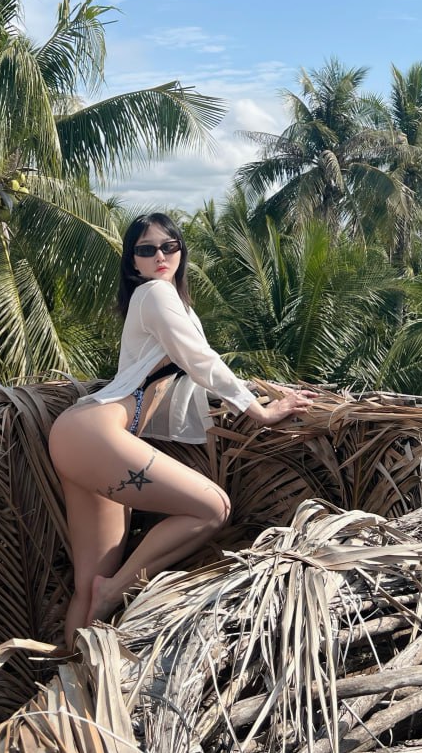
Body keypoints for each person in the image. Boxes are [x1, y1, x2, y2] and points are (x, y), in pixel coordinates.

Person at [49, 212, 314, 642]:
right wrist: (261, 412)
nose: (159, 256)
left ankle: (70, 670)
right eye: (146, 249)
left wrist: (259, 390)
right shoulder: (155, 293)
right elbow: (201, 361)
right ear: (133, 262)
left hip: (85, 440)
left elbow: (194, 375)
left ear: (180, 252)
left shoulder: (168, 305)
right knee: (213, 509)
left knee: (87, 585)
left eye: (168, 246)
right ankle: (115, 592)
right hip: (94, 433)